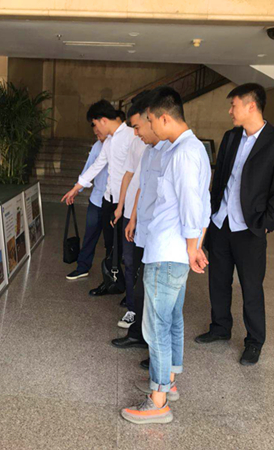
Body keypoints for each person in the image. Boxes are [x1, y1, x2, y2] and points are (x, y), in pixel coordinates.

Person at [121, 86, 211, 425]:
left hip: (168, 251)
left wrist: (192, 248)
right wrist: (194, 246)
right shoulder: (190, 149)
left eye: (148, 121)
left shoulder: (183, 152)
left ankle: (158, 401)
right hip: (173, 250)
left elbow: (192, 206)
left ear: (163, 118)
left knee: (156, 326)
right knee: (171, 318)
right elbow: (203, 205)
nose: (147, 128)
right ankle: (168, 382)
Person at [195, 83, 274, 366]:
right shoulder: (230, 137)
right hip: (221, 223)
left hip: (250, 228)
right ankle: (220, 328)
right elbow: (219, 180)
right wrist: (210, 214)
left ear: (251, 106)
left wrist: (267, 224)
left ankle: (254, 341)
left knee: (251, 287)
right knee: (218, 281)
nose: (230, 111)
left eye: (233, 105)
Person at [111, 92, 170, 353]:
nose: (135, 134)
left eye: (137, 127)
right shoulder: (148, 150)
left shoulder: (173, 151)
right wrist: (131, 216)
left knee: (158, 295)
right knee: (139, 279)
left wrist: (195, 244)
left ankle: (158, 354)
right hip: (142, 224)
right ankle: (138, 333)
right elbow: (141, 188)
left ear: (152, 118)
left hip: (161, 234)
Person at [62, 100, 138, 296]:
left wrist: (123, 205)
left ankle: (131, 292)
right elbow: (97, 165)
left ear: (103, 120)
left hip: (126, 203)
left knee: (127, 249)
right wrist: (76, 188)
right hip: (108, 200)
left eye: (95, 124)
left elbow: (135, 174)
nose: (95, 130)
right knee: (110, 244)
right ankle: (112, 281)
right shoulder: (109, 142)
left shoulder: (131, 136)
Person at [112, 96, 148, 327]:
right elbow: (128, 174)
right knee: (129, 261)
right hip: (130, 214)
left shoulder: (158, 144)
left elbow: (145, 185)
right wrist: (120, 207)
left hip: (145, 214)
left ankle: (142, 309)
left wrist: (133, 214)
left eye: (136, 127)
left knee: (145, 264)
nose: (135, 133)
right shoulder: (137, 142)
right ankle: (132, 308)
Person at [65, 128, 109, 280]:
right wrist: (76, 190)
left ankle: (112, 273)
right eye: (95, 133)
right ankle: (82, 267)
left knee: (111, 241)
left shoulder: (120, 144)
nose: (97, 135)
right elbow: (89, 168)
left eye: (99, 132)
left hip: (114, 202)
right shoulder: (97, 146)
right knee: (89, 236)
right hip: (96, 199)